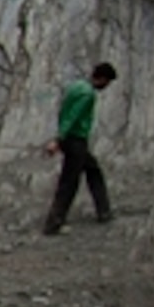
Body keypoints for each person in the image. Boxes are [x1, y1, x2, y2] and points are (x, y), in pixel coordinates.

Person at [43, 61, 117, 234]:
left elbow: (64, 112)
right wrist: (58, 139)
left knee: (93, 171)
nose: (106, 86)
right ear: (103, 79)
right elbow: (73, 116)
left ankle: (103, 210)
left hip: (71, 139)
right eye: (107, 82)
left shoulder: (76, 86)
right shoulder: (88, 94)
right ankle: (53, 223)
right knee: (69, 182)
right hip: (76, 140)